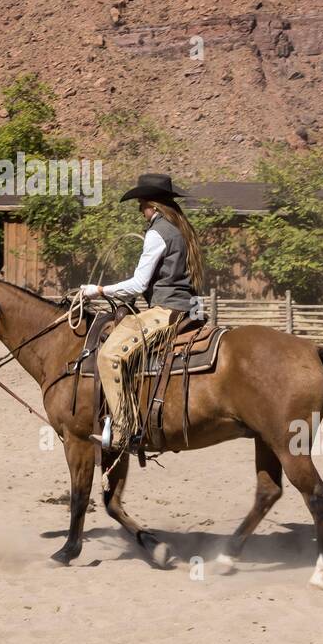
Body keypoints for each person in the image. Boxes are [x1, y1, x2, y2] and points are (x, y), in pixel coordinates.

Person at [79, 173, 205, 452]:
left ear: (154, 205)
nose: (140, 210)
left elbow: (139, 283)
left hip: (167, 310)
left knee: (109, 355)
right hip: (188, 309)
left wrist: (98, 290)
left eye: (142, 204)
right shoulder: (183, 229)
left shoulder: (157, 232)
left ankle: (124, 431)